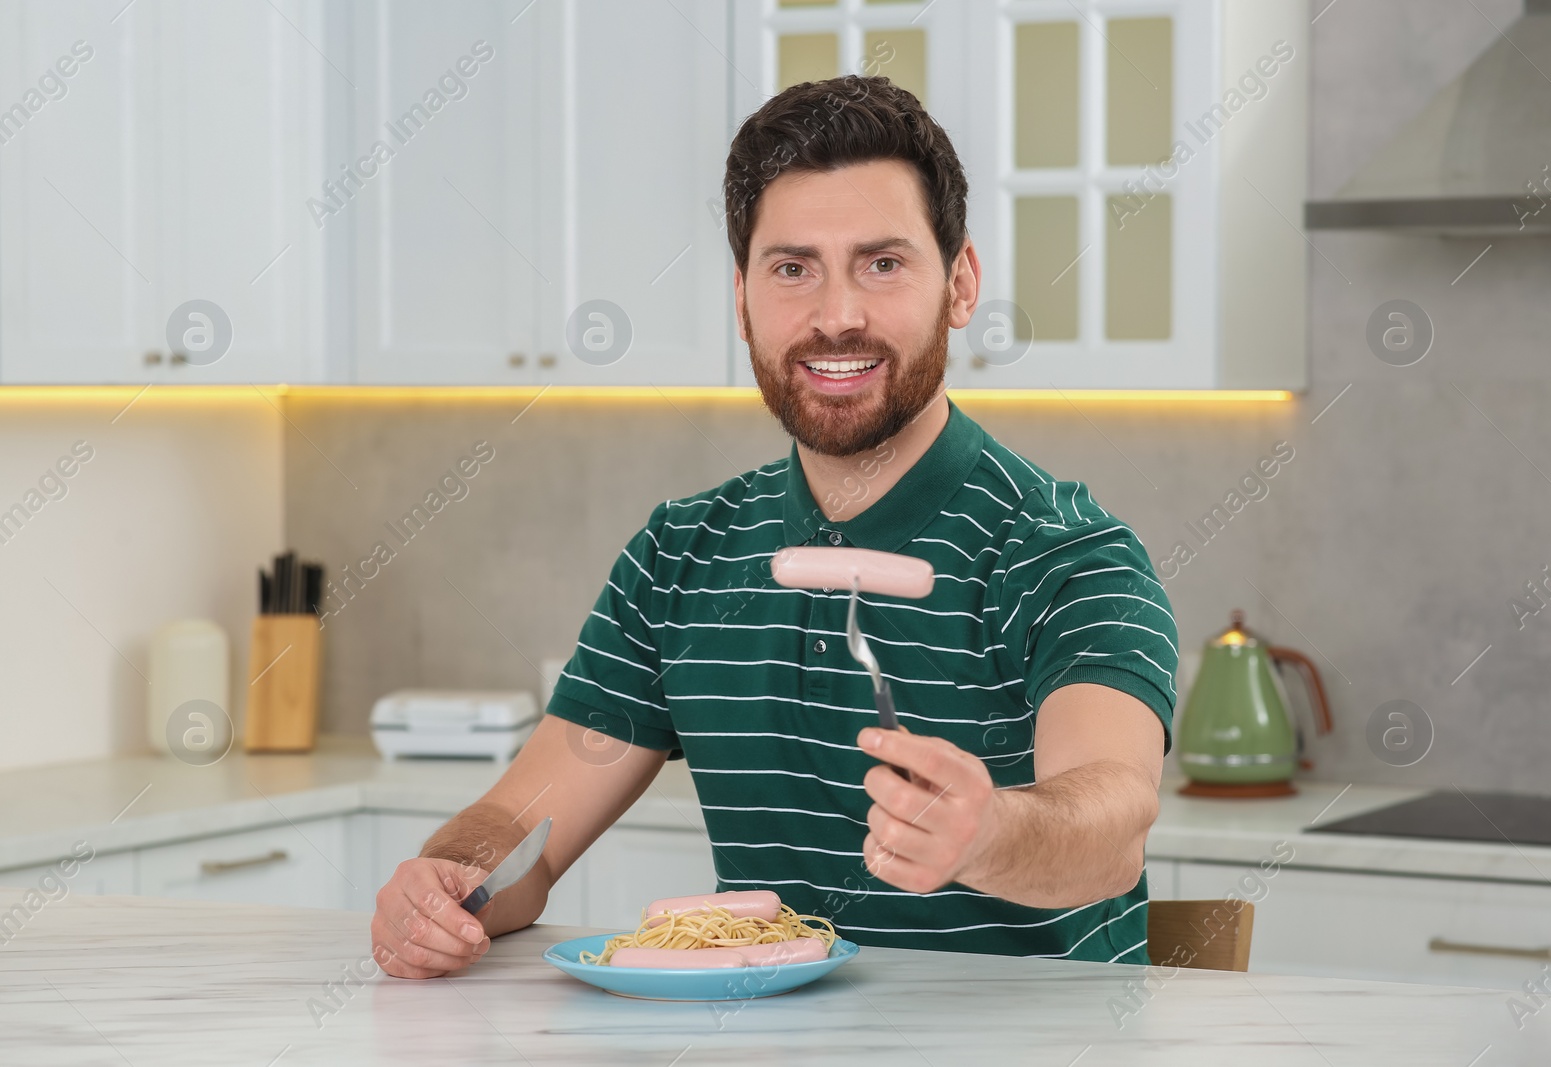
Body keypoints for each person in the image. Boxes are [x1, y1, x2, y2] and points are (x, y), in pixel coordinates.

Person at [371, 74, 1178, 978]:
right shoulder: (679, 558)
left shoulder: (1069, 553)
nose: (836, 316)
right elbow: (524, 832)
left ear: (960, 283)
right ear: (744, 296)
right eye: (793, 269)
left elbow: (1110, 827)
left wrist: (988, 830)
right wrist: (449, 883)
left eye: (883, 263)